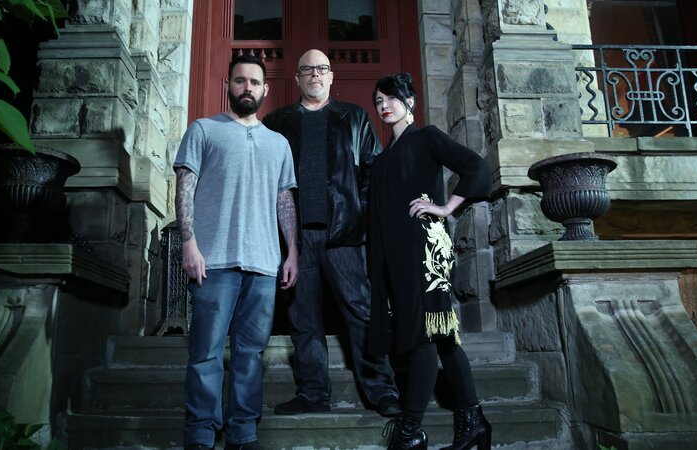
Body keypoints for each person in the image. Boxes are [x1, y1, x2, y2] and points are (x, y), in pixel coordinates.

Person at [263, 49, 401, 417]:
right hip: (295, 237)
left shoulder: (354, 117)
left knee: (361, 312)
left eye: (321, 69)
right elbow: (267, 180)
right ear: (297, 79)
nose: (314, 75)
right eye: (307, 69)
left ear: (331, 76)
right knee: (303, 317)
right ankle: (312, 393)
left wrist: (362, 218)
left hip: (344, 233)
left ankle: (381, 389)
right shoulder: (277, 122)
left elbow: (372, 171)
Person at [174, 53, 299, 450]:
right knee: (206, 354)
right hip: (213, 262)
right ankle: (200, 433)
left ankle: (243, 431)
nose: (247, 87)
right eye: (240, 80)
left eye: (254, 82)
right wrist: (188, 243)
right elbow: (184, 188)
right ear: (228, 85)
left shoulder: (278, 143)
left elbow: (284, 200)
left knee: (250, 356)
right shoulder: (203, 130)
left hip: (263, 265)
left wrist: (292, 250)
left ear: (266, 89)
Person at [368, 72, 493, 450]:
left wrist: (443, 208)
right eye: (378, 101)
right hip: (398, 258)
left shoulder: (427, 137)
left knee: (428, 334)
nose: (384, 105)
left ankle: (410, 430)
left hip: (426, 251)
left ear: (410, 102)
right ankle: (473, 422)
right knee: (440, 338)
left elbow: (476, 167)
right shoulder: (381, 158)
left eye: (391, 97)